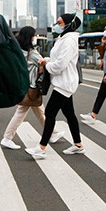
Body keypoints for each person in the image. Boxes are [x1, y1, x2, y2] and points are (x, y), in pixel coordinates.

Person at [25, 13, 85, 159]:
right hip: (62, 82)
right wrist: (46, 60)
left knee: (50, 113)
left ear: (69, 24)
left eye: (60, 22)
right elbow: (57, 59)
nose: (57, 25)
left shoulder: (69, 41)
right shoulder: (63, 39)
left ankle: (41, 147)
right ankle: (78, 145)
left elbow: (60, 64)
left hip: (64, 83)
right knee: (69, 114)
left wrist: (48, 66)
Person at [0, 26, 62, 150]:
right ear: (30, 37)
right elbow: (44, 63)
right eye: (33, 36)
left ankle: (53, 133)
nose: (34, 38)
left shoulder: (17, 50)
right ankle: (7, 138)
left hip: (23, 84)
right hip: (31, 87)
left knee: (40, 111)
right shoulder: (31, 53)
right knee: (22, 112)